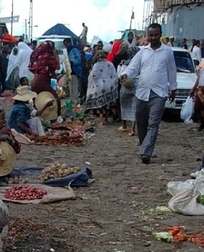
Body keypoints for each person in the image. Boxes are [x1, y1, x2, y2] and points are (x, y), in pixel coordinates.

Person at [120, 22, 177, 164]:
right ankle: (144, 144)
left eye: (155, 34)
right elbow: (133, 67)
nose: (153, 37)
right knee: (141, 121)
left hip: (159, 92)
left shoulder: (167, 52)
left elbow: (172, 70)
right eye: (150, 35)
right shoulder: (143, 51)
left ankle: (146, 152)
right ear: (147, 35)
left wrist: (173, 88)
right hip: (142, 92)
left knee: (153, 123)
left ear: (160, 34)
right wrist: (125, 74)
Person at [85, 50, 119, 125]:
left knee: (101, 105)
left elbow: (92, 76)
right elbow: (114, 75)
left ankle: (101, 121)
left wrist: (93, 85)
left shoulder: (96, 65)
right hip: (108, 86)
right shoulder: (110, 64)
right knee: (107, 104)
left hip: (99, 87)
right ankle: (106, 119)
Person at [29, 41, 61, 116]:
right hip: (42, 80)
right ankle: (58, 116)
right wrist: (56, 54)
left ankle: (36, 116)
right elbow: (57, 66)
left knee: (36, 100)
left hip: (36, 79)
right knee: (55, 99)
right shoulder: (48, 56)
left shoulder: (38, 55)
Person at [63, 38, 82, 103]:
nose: (66, 45)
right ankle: (72, 101)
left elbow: (79, 60)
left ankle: (75, 102)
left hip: (75, 71)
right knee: (70, 88)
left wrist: (72, 62)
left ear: (69, 43)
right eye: (64, 44)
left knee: (74, 88)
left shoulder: (74, 50)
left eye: (66, 44)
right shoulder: (65, 51)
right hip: (68, 72)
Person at [189, 60, 204, 131]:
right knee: (197, 106)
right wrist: (193, 88)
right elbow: (199, 77)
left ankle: (202, 125)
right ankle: (202, 123)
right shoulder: (202, 62)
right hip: (201, 88)